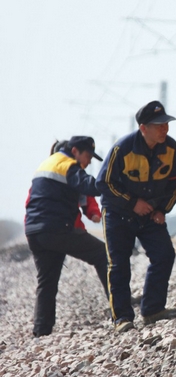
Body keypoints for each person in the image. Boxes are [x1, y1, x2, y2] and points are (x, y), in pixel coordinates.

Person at [96, 100, 176, 333]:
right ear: (143, 128)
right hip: (118, 214)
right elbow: (103, 183)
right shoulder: (122, 148)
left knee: (164, 255)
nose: (164, 129)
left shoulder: (171, 148)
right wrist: (133, 203)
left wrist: (162, 210)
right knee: (119, 265)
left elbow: (174, 185)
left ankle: (153, 310)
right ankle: (122, 318)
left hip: (150, 214)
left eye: (165, 124)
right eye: (158, 125)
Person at [25, 136, 108, 337]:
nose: (88, 162)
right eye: (87, 156)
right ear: (75, 151)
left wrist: (91, 213)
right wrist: (111, 181)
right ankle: (120, 305)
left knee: (47, 280)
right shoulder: (68, 166)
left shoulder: (47, 164)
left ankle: (41, 331)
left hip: (35, 231)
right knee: (103, 254)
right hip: (56, 229)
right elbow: (90, 186)